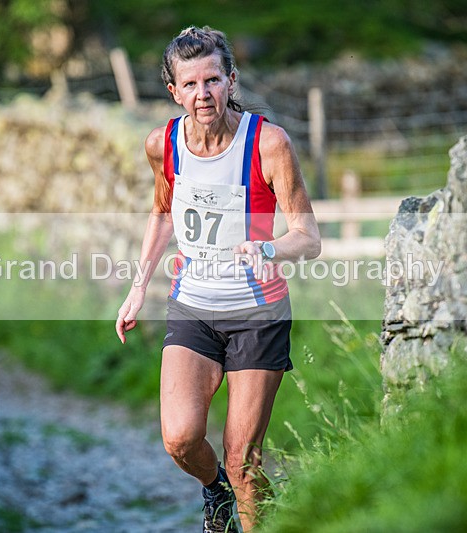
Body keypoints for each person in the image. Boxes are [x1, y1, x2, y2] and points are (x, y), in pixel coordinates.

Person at [115, 26, 320, 533]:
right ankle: (217, 495)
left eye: (212, 80)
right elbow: (162, 214)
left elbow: (308, 237)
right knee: (180, 438)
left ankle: (263, 517)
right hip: (193, 307)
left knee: (243, 462)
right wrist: (139, 286)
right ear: (174, 91)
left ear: (231, 79)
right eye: (190, 85)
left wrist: (268, 248)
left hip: (257, 314)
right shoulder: (163, 144)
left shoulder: (268, 143)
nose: (202, 94)